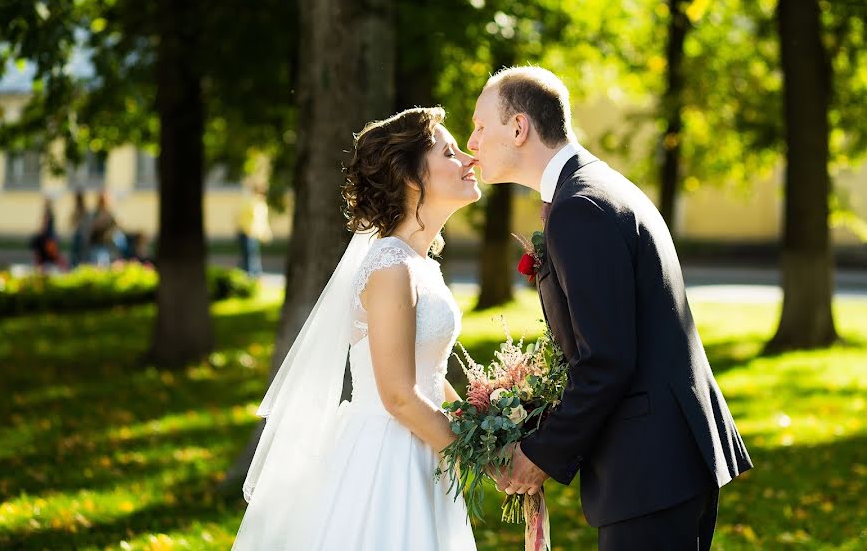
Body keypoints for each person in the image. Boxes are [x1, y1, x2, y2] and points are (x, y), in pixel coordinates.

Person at [468, 66, 753, 551]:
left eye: (479, 127)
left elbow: (607, 358)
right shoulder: (593, 189)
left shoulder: (581, 207)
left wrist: (540, 453)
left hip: (650, 468)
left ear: (518, 128)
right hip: (665, 462)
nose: (471, 142)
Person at [232, 107, 481, 550]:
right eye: (450, 152)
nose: (468, 159)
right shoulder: (390, 266)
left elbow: (429, 374)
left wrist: (483, 423)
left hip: (422, 448)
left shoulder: (418, 263)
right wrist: (476, 455)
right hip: (389, 457)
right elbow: (399, 395)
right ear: (411, 175)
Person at [235, 186, 271, 276]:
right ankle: (251, 275)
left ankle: (252, 275)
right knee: (250, 257)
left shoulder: (255, 203)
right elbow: (258, 221)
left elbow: (261, 221)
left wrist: (265, 233)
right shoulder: (255, 203)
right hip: (248, 233)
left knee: (250, 256)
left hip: (250, 233)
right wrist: (265, 233)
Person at [30, 197, 65, 271]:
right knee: (52, 256)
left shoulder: (48, 213)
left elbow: (44, 226)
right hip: (49, 238)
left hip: (47, 239)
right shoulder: (50, 213)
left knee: (49, 255)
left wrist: (40, 233)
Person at [88, 191, 118, 267]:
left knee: (103, 265)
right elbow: (91, 227)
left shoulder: (108, 214)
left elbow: (114, 227)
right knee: (96, 264)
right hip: (96, 243)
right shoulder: (95, 214)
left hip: (105, 243)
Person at [69, 190, 92, 267]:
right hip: (80, 235)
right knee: (78, 254)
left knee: (78, 254)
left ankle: (77, 266)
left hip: (80, 235)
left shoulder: (82, 209)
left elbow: (74, 222)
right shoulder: (82, 209)